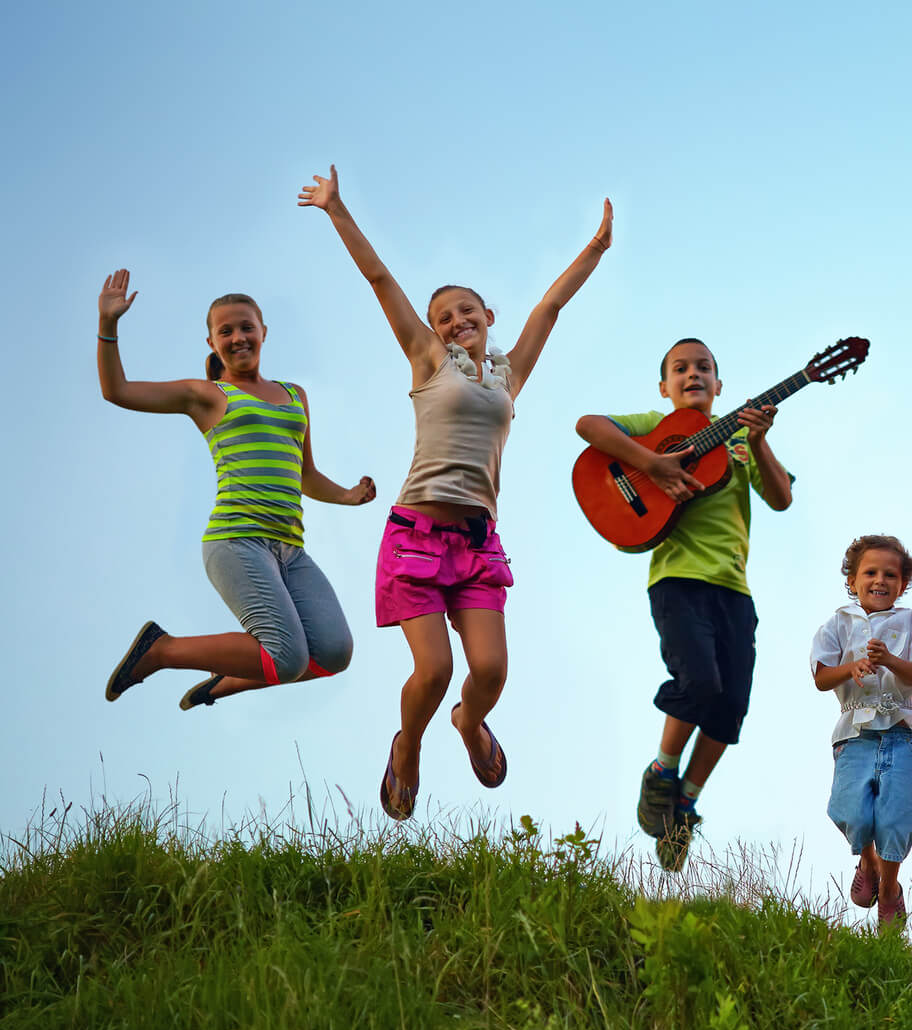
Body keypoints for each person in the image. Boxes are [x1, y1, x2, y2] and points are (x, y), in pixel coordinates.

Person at [299, 164, 611, 819]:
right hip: (415, 537)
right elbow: (380, 280)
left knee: (490, 671)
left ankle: (469, 724)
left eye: (466, 311)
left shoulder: (506, 377)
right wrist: (336, 209)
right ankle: (406, 746)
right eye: (443, 316)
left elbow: (548, 307)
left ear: (486, 317)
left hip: (475, 544)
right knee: (434, 671)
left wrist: (595, 249)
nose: (454, 320)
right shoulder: (428, 362)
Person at [97, 271, 374, 710]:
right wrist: (108, 326)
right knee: (287, 656)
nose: (239, 337)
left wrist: (346, 495)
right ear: (211, 343)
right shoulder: (206, 395)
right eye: (225, 331)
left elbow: (304, 473)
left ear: (264, 331)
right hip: (236, 540)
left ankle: (225, 681)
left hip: (291, 550)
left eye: (247, 326)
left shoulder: (294, 394)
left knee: (335, 652)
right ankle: (161, 650)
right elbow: (118, 391)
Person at [574, 338, 790, 868]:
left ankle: (684, 807)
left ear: (719, 385)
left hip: (734, 589)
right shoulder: (652, 421)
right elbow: (588, 425)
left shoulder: (739, 439)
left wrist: (758, 441)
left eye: (704, 368)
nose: (693, 374)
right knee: (698, 681)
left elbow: (782, 498)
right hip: (677, 579)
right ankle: (661, 773)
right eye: (680, 368)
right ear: (665, 387)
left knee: (730, 705)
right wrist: (654, 464)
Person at [808, 535, 912, 932]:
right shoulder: (837, 624)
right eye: (870, 572)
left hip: (900, 730)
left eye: (891, 575)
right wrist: (853, 667)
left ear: (902, 583)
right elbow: (821, 677)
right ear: (852, 580)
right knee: (853, 810)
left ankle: (889, 888)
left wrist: (889, 660)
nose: (880, 580)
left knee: (897, 816)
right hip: (854, 733)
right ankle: (867, 860)